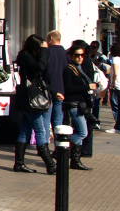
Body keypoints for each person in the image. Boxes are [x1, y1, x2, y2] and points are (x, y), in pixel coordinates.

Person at [13, 34, 55, 174]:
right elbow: (40, 68)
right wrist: (45, 51)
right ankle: (50, 164)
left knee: (25, 130)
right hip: (31, 100)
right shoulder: (26, 56)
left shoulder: (26, 56)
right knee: (40, 130)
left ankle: (19, 163)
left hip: (28, 99)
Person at [63, 45, 93, 170]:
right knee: (82, 132)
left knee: (80, 132)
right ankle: (61, 148)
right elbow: (69, 88)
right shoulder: (69, 69)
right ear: (71, 56)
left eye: (82, 55)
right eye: (77, 55)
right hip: (74, 104)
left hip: (80, 104)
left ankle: (75, 160)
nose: (80, 58)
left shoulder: (78, 69)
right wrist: (87, 87)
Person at [44, 30, 68, 129]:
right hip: (61, 89)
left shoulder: (47, 52)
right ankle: (58, 135)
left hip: (47, 88)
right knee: (58, 116)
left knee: (46, 118)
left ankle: (46, 136)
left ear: (50, 39)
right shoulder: (66, 53)